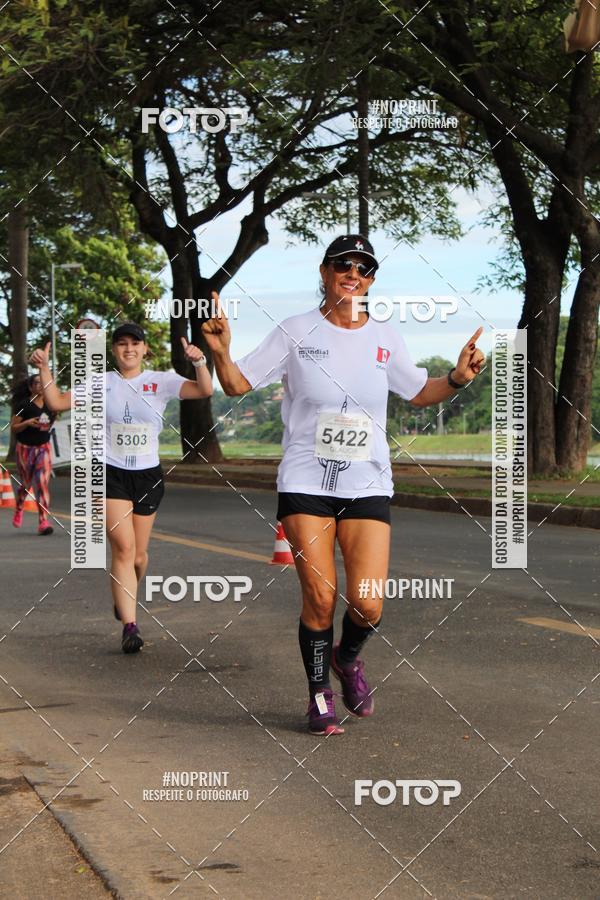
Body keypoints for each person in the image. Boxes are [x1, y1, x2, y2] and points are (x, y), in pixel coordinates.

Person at [202, 234, 484, 735]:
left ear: (371, 280)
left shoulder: (386, 337)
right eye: (343, 265)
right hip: (306, 478)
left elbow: (420, 392)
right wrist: (222, 351)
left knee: (369, 601)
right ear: (325, 271)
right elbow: (237, 384)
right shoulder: (294, 331)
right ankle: (318, 696)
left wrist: (457, 378)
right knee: (320, 598)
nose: (353, 274)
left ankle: (347, 657)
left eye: (364, 268)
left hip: (367, 482)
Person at [30, 322, 213, 653]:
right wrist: (45, 369)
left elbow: (204, 390)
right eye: (122, 344)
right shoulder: (101, 383)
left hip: (147, 476)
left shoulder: (161, 380)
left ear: (145, 349)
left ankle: (125, 592)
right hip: (109, 473)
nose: (129, 348)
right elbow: (55, 402)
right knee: (124, 548)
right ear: (113, 351)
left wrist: (199, 362)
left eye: (135, 343)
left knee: (139, 556)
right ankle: (130, 626)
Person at [10, 374, 57, 535]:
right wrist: (27, 423)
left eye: (43, 382)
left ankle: (43, 521)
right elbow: (14, 428)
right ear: (31, 387)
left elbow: (53, 419)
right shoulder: (24, 405)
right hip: (25, 448)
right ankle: (20, 505)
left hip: (43, 447)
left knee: (42, 484)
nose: (41, 385)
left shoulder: (51, 405)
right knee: (27, 483)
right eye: (37, 383)